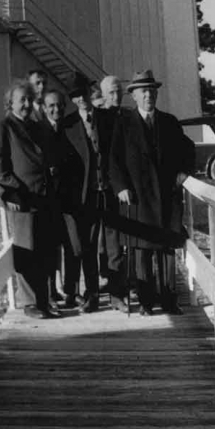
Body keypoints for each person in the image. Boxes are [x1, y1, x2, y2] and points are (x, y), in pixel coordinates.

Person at [109, 69, 194, 315]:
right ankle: (146, 302)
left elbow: (188, 151)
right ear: (134, 96)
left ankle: (169, 300)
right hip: (138, 197)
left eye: (152, 91)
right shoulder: (123, 123)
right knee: (142, 251)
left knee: (167, 250)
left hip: (166, 197)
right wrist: (121, 187)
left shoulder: (169, 122)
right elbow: (114, 160)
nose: (149, 95)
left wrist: (184, 172)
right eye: (143, 91)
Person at [0, 79, 59, 319]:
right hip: (22, 200)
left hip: (44, 198)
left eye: (29, 99)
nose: (27, 104)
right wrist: (13, 192)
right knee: (26, 251)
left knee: (44, 251)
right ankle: (30, 302)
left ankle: (44, 301)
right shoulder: (4, 127)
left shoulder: (37, 127)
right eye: (22, 100)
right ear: (10, 103)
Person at [64, 75, 106, 311]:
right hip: (84, 195)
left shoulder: (106, 118)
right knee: (87, 246)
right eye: (75, 96)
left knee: (112, 245)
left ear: (90, 92)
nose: (80, 99)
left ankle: (119, 290)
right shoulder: (68, 125)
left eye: (82, 93)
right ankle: (92, 294)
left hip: (108, 192)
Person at [40, 89, 80, 307]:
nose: (56, 110)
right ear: (44, 108)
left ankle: (71, 291)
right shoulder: (38, 131)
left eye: (60, 105)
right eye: (51, 106)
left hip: (70, 201)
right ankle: (50, 293)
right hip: (48, 202)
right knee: (49, 249)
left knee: (74, 246)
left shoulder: (70, 128)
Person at [96, 73, 128, 309]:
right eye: (111, 93)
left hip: (129, 187)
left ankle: (128, 282)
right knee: (110, 240)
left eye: (119, 92)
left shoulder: (128, 116)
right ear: (104, 95)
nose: (116, 96)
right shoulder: (98, 118)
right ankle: (115, 290)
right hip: (106, 187)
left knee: (126, 238)